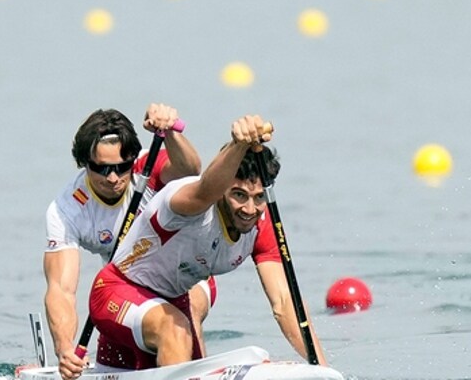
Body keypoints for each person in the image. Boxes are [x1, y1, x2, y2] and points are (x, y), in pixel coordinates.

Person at [87, 115, 328, 370]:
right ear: (223, 189)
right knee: (176, 329)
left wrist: (323, 370)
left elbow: (284, 303)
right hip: (117, 292)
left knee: (182, 348)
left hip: (170, 305)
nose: (249, 209)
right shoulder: (190, 202)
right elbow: (207, 186)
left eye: (258, 198)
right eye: (239, 195)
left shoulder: (262, 225)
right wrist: (238, 144)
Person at [44, 103, 214, 380]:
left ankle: (200, 369)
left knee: (182, 315)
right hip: (127, 288)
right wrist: (65, 349)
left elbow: (190, 170)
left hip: (185, 275)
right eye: (101, 169)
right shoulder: (67, 210)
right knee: (119, 360)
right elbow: (61, 289)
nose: (113, 178)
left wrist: (170, 132)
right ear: (84, 163)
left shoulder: (149, 167)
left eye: (122, 167)